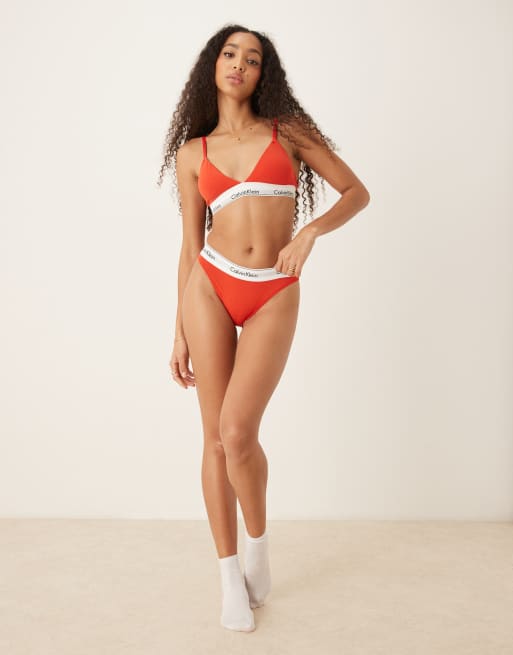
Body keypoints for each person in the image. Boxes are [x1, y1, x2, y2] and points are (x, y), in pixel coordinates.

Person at [157, 24, 370, 632]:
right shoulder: (193, 153)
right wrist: (178, 330)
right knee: (214, 439)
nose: (239, 65)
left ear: (262, 74)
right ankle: (229, 577)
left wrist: (309, 233)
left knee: (239, 431)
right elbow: (189, 246)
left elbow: (355, 192)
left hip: (274, 287)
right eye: (230, 54)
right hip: (210, 286)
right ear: (213, 64)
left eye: (252, 59)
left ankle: (258, 543)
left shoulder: (289, 132)